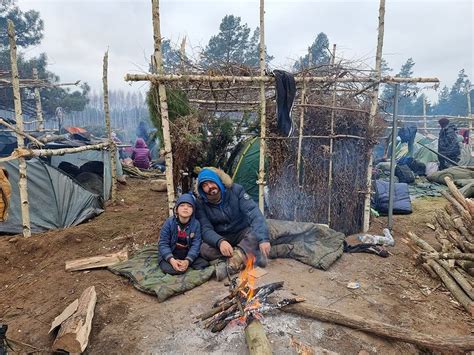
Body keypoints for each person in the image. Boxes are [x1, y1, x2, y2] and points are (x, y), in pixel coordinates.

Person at [195, 168, 271, 280]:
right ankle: (243, 256)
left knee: (255, 235)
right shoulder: (201, 203)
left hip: (241, 232)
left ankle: (230, 263)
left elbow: (254, 213)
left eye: (211, 182)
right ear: (202, 189)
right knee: (203, 248)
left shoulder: (236, 190)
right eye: (205, 185)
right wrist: (220, 242)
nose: (210, 186)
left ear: (219, 180)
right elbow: (206, 229)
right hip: (222, 237)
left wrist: (264, 239)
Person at [158, 193, 209, 275]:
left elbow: (196, 244)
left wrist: (187, 261)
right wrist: (171, 260)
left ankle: (184, 264)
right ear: (176, 209)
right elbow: (163, 243)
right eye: (182, 205)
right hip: (172, 253)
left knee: (204, 264)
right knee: (170, 269)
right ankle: (176, 264)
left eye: (189, 206)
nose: (186, 208)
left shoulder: (196, 224)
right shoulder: (169, 223)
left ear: (193, 210)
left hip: (186, 253)